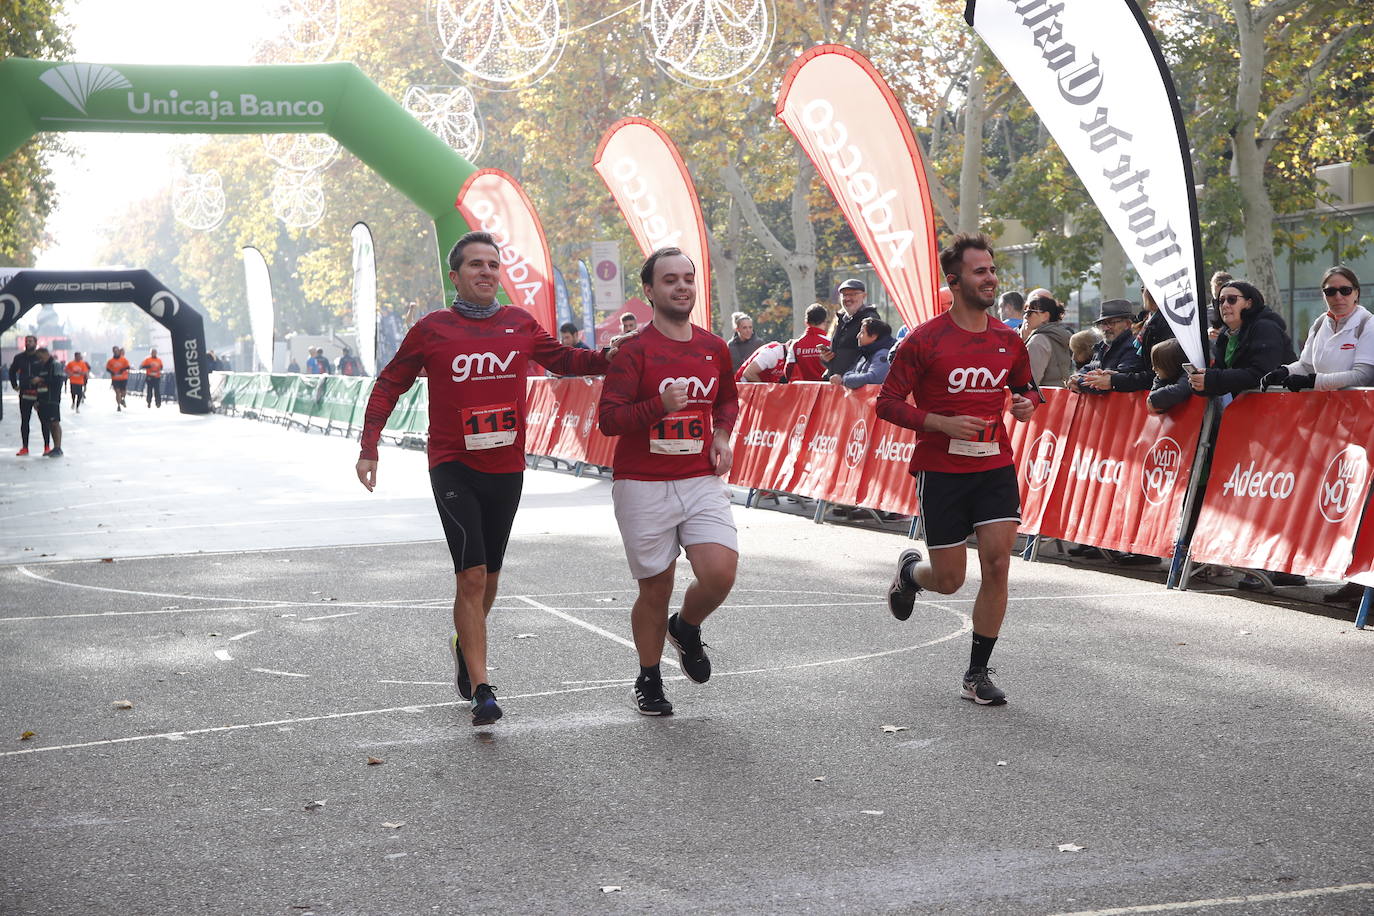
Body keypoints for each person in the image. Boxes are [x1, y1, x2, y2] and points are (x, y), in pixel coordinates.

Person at [355, 231, 613, 727]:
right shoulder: (433, 329)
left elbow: (564, 360)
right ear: (455, 276)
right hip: (453, 464)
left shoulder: (518, 323)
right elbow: (391, 382)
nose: (486, 272)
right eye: (476, 265)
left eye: (493, 265)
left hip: (506, 465)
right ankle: (482, 688)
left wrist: (613, 357)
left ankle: (463, 641)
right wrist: (370, 446)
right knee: (469, 574)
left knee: (490, 576)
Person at [877, 231, 1037, 706]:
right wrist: (938, 422)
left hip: (995, 466)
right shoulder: (925, 340)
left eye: (992, 269)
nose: (990, 278)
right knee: (949, 581)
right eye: (979, 271)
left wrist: (1025, 405)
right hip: (941, 470)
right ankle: (910, 575)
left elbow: (1026, 389)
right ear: (955, 281)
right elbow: (887, 403)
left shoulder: (1009, 340)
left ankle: (976, 673)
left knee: (997, 561)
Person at [598, 247, 739, 717]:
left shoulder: (714, 347)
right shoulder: (633, 351)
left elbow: (727, 401)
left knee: (719, 574)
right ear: (649, 291)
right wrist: (658, 405)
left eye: (687, 279)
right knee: (654, 590)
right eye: (670, 280)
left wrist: (721, 435)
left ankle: (687, 625)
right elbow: (610, 420)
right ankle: (649, 678)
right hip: (642, 482)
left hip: (699, 478)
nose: (681, 287)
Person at [1260, 266, 1373, 392]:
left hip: (1358, 408)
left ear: (1356, 293)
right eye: (1330, 291)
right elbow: (1306, 366)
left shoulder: (1368, 324)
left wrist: (1313, 381)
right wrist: (1285, 371)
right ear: (1324, 295)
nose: (1338, 296)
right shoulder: (1320, 323)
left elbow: (1363, 376)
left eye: (1345, 290)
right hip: (1322, 407)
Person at [1189, 280, 1295, 399]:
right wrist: (1201, 382)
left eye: (1232, 299)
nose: (1225, 305)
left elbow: (1261, 373)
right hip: (1253, 410)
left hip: (1281, 405)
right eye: (1221, 301)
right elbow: (1221, 373)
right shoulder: (1225, 335)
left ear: (1248, 303)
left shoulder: (1265, 327)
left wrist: (1213, 379)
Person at [1068, 300, 1149, 394]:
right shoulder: (1102, 346)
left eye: (1111, 323)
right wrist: (1076, 377)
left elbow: (1111, 381)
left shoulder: (1133, 347)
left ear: (1127, 324)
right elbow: (1089, 368)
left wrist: (1079, 382)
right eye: (1103, 323)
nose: (1106, 328)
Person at [821, 279, 880, 378]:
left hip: (856, 385)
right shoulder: (840, 320)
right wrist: (826, 359)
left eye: (853, 294)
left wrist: (849, 376)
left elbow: (870, 355)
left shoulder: (870, 319)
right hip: (838, 383)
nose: (847, 298)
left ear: (864, 296)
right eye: (844, 295)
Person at [1021, 294, 1074, 386]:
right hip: (1061, 396)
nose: (1025, 316)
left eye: (1030, 312)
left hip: (1041, 398)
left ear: (1045, 316)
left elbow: (1030, 382)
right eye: (1024, 312)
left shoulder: (1038, 340)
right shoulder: (1062, 335)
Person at [834, 317, 896, 388]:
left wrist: (845, 380)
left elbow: (874, 378)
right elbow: (852, 373)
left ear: (873, 336)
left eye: (862, 332)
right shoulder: (867, 352)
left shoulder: (883, 353)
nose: (858, 336)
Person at [28, 347, 64, 457]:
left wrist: (42, 380)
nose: (40, 359)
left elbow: (58, 382)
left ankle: (58, 447)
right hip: (42, 399)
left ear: (46, 354)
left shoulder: (55, 365)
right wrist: (36, 400)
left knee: (54, 423)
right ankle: (54, 447)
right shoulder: (41, 366)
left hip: (52, 399)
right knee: (47, 424)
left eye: (40, 357)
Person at [1145, 339, 1193, 414]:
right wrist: (1152, 400)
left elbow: (1180, 390)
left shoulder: (1188, 376)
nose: (1153, 369)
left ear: (1169, 366)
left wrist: (1154, 399)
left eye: (1157, 366)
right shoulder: (1162, 377)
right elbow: (1155, 389)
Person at [106, 346, 130, 412]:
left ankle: (122, 399)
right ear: (113, 352)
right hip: (115, 378)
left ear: (119, 351)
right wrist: (112, 372)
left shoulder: (123, 360)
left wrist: (122, 370)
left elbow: (128, 366)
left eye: (117, 351)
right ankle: (118, 405)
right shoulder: (110, 361)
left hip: (123, 378)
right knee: (117, 392)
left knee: (123, 392)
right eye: (115, 351)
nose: (116, 352)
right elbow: (107, 368)